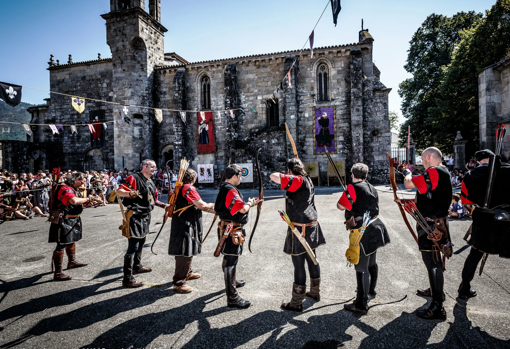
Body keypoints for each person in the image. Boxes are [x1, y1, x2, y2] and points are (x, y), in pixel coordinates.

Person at [397, 147, 452, 320]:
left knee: (433, 263)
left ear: (429, 157)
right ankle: (436, 291)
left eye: (422, 158)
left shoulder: (435, 171)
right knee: (433, 262)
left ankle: (437, 306)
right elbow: (424, 193)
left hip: (432, 225)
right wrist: (406, 201)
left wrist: (407, 172)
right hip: (431, 222)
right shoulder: (440, 172)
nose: (421, 161)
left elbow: (409, 183)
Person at [269, 158, 326, 312]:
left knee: (299, 263)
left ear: (290, 170)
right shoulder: (307, 179)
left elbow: (273, 176)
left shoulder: (298, 180)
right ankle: (315, 293)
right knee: (312, 258)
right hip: (311, 224)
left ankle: (296, 302)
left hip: (299, 228)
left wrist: (291, 174)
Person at [337, 163, 390, 314]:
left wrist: (348, 197)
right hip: (375, 226)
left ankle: (361, 303)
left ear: (352, 174)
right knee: (371, 263)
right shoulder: (372, 187)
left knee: (361, 268)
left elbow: (340, 206)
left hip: (362, 229)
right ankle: (371, 290)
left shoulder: (353, 188)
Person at [459, 149, 510, 300]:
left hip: (483, 220)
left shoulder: (470, 175)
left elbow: (466, 202)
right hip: (507, 221)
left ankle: (464, 288)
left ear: (479, 161)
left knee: (474, 256)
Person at [116, 159, 170, 288]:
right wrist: (130, 193)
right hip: (135, 216)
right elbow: (119, 191)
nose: (154, 169)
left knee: (141, 242)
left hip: (145, 216)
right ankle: (127, 279)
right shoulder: (134, 178)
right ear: (144, 166)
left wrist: (165, 206)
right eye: (152, 166)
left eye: (155, 167)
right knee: (132, 247)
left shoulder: (150, 182)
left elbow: (152, 199)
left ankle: (137, 266)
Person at [214, 164, 262, 308]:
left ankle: (232, 282)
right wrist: (251, 203)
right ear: (234, 176)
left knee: (229, 257)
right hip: (231, 230)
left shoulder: (225, 188)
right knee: (231, 261)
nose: (241, 178)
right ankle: (233, 298)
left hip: (228, 229)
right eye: (240, 176)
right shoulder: (229, 190)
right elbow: (241, 209)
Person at [169, 168, 215, 293]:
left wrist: (218, 212)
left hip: (185, 222)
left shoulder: (182, 187)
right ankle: (179, 283)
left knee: (187, 249)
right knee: (184, 252)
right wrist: (212, 205)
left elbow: (196, 207)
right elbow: (202, 206)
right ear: (193, 178)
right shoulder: (188, 188)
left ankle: (187, 273)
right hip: (185, 224)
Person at [48, 172, 101, 281]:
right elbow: (73, 201)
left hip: (73, 219)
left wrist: (93, 201)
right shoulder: (64, 188)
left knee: (71, 241)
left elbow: (79, 202)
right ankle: (58, 273)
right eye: (82, 181)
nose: (83, 183)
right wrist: (89, 199)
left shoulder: (73, 188)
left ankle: (72, 262)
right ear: (76, 179)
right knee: (61, 245)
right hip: (64, 220)